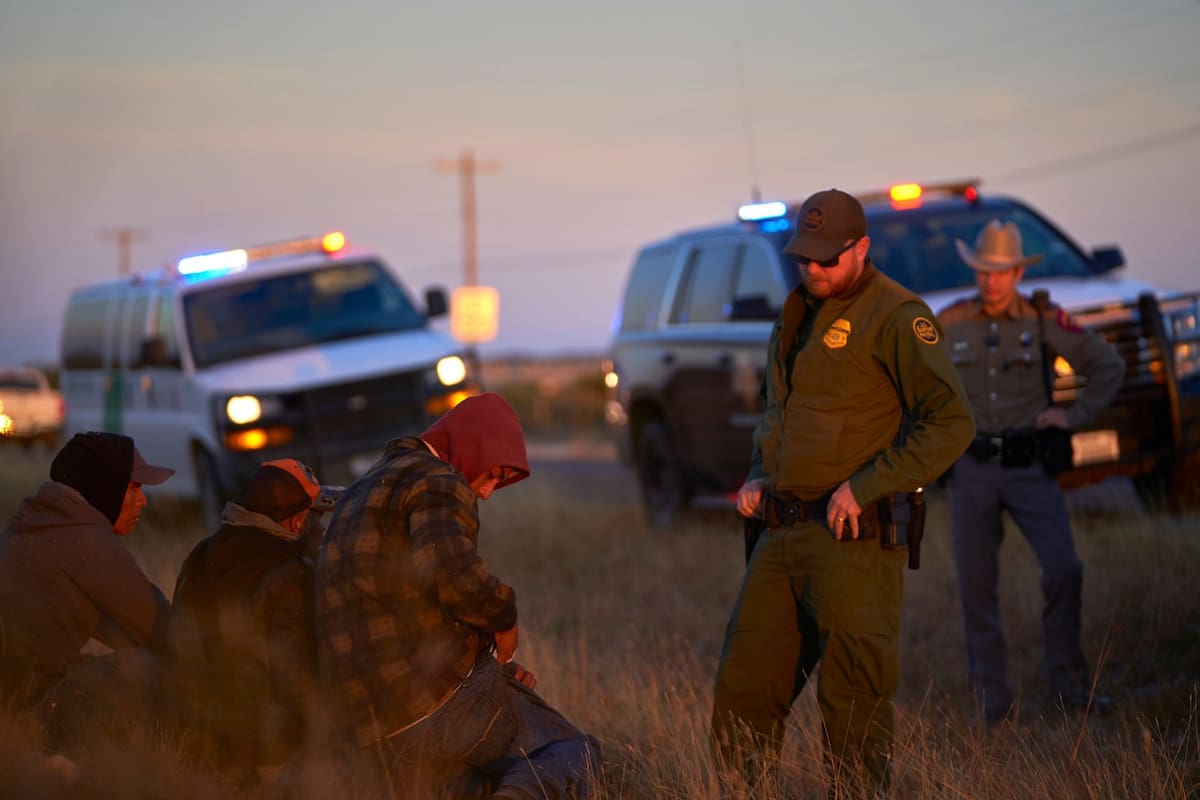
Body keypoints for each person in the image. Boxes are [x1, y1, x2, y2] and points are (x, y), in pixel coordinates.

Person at [711, 189, 975, 791]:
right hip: (779, 536)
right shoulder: (796, 313)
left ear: (862, 248)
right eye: (805, 257)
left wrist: (867, 486)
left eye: (828, 258)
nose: (814, 268)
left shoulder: (898, 316)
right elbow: (778, 412)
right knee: (743, 691)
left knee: (852, 707)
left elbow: (951, 422)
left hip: (851, 539)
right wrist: (758, 473)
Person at [316, 392, 597, 800]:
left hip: (365, 729)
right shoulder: (437, 479)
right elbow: (455, 578)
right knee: (572, 751)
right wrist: (505, 621)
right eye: (492, 474)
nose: (486, 492)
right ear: (471, 444)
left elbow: (408, 598)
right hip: (429, 701)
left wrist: (487, 662)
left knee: (473, 783)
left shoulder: (360, 491)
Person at [938, 220, 1125, 723]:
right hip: (972, 467)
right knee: (977, 585)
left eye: (1001, 272)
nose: (991, 281)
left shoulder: (1044, 319)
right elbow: (916, 379)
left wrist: (1073, 416)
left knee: (1065, 568)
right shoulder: (949, 321)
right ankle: (991, 701)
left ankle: (1069, 688)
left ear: (1019, 270)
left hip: (1028, 466)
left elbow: (1108, 366)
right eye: (983, 271)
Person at [0, 431, 174, 743]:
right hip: (29, 709)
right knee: (157, 671)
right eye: (134, 487)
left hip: (15, 699)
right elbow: (165, 628)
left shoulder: (30, 523)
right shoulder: (86, 539)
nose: (143, 500)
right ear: (105, 487)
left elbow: (118, 627)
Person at [166, 458, 328, 782]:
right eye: (314, 515)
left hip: (194, 734)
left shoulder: (200, 556)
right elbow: (296, 677)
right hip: (264, 747)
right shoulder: (291, 573)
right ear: (296, 523)